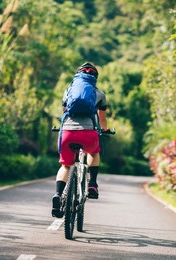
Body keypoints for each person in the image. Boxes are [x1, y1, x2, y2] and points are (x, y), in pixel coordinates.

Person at [52, 62, 109, 218]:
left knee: (65, 166)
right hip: (88, 134)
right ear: (95, 78)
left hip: (67, 133)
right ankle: (92, 185)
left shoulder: (68, 91)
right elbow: (102, 120)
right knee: (94, 153)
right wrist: (105, 130)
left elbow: (65, 112)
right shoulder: (99, 94)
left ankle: (58, 194)